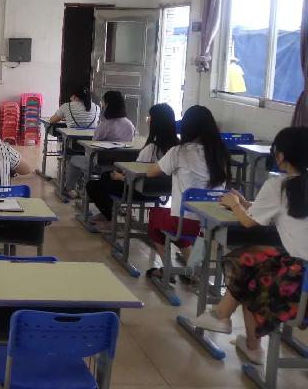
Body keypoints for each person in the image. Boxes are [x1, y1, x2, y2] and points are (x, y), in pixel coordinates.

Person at [191, 127, 308, 365]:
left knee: (249, 272)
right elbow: (284, 211)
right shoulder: (294, 188)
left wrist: (235, 204)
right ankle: (245, 340)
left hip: (297, 283)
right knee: (255, 264)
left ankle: (225, 318)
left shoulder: (279, 186)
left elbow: (247, 223)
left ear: (280, 156)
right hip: (302, 278)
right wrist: (247, 204)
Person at [144, 105, 231, 281]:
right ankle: (192, 269)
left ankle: (167, 270)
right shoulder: (220, 154)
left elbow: (150, 173)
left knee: (155, 215)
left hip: (186, 223)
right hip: (214, 224)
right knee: (176, 221)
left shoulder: (179, 151)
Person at [86, 103, 178, 224]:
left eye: (149, 116)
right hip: (163, 191)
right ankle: (113, 212)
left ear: (155, 122)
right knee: (106, 176)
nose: (147, 119)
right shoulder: (178, 147)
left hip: (141, 190)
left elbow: (137, 176)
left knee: (93, 185)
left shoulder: (151, 149)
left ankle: (111, 217)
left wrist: (119, 176)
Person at [63, 90, 136, 198]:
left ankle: (69, 189)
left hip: (101, 165)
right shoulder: (129, 124)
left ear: (107, 105)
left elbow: (92, 145)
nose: (102, 105)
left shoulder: (105, 125)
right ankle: (82, 188)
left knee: (74, 159)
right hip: (122, 167)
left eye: (104, 103)